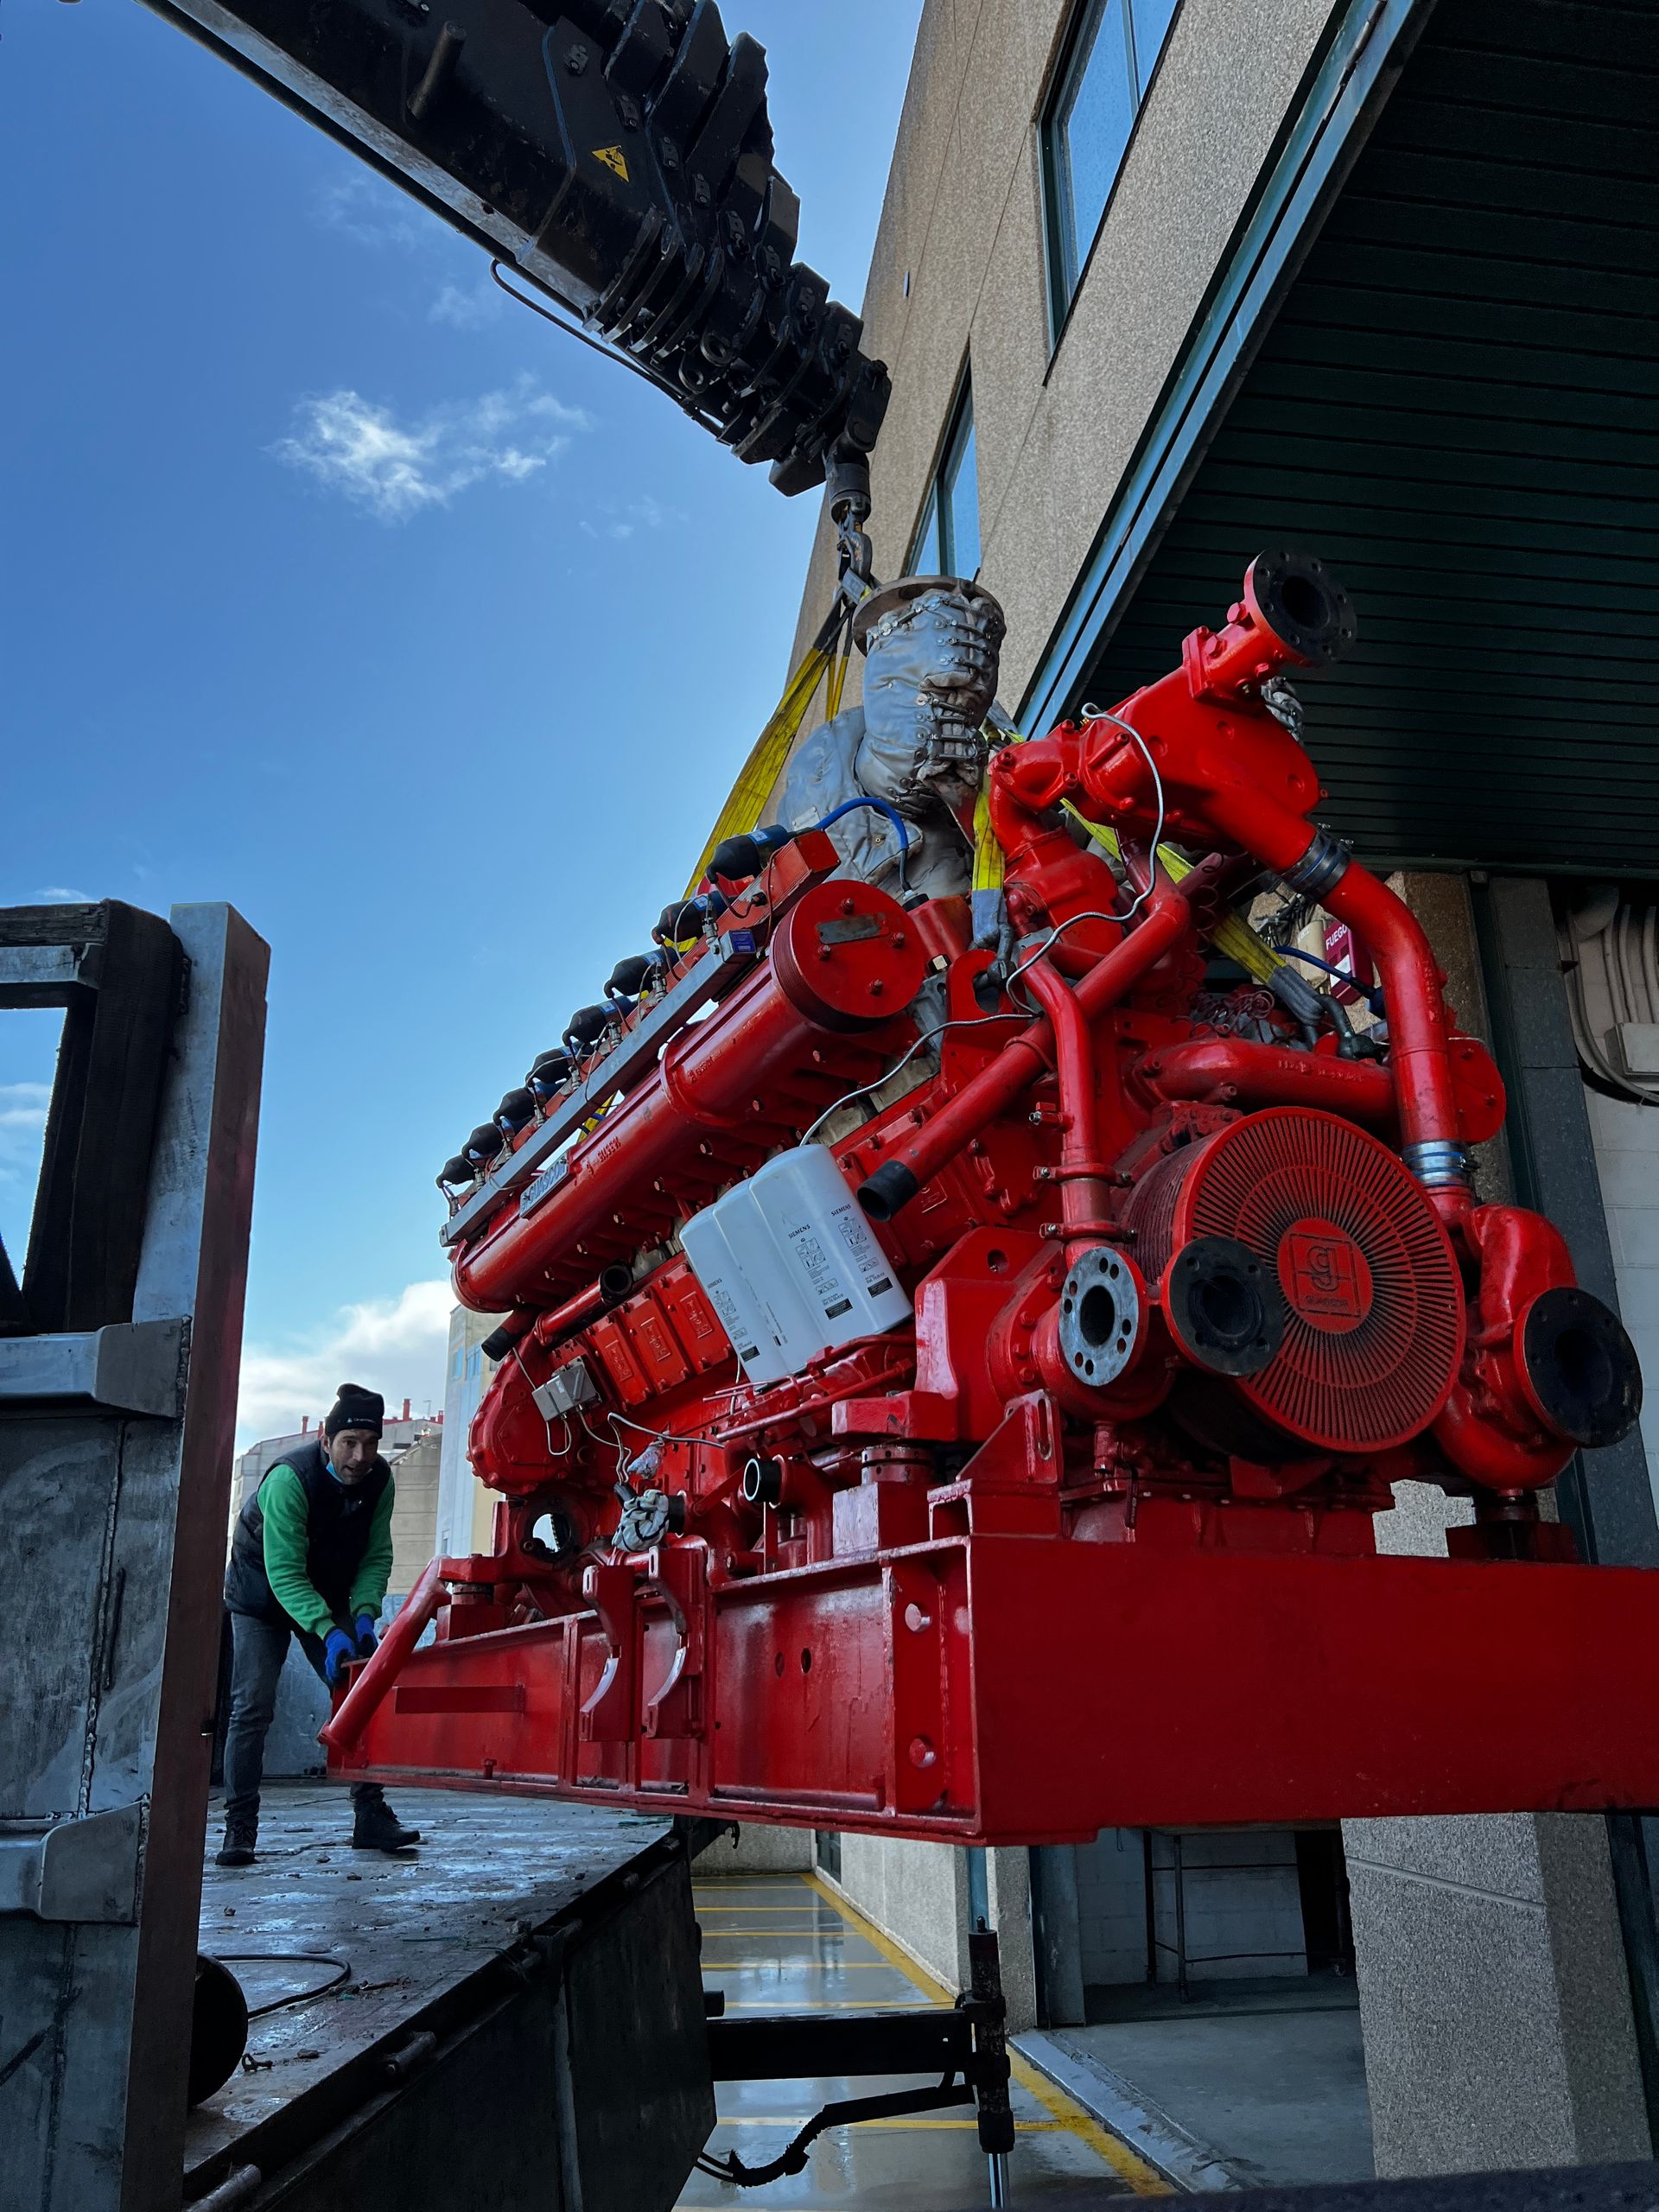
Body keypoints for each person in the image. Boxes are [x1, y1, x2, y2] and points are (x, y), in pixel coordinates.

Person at [218, 1382, 420, 1866]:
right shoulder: (291, 1480)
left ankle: (370, 1816)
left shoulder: (379, 1480)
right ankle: (239, 1828)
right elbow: (284, 1573)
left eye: (370, 1444)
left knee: (360, 1692)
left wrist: (367, 1614)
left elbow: (376, 1556)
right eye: (349, 1442)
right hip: (261, 1595)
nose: (359, 1456)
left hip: (327, 1591)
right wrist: (328, 1632)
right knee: (252, 1708)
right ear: (326, 1439)